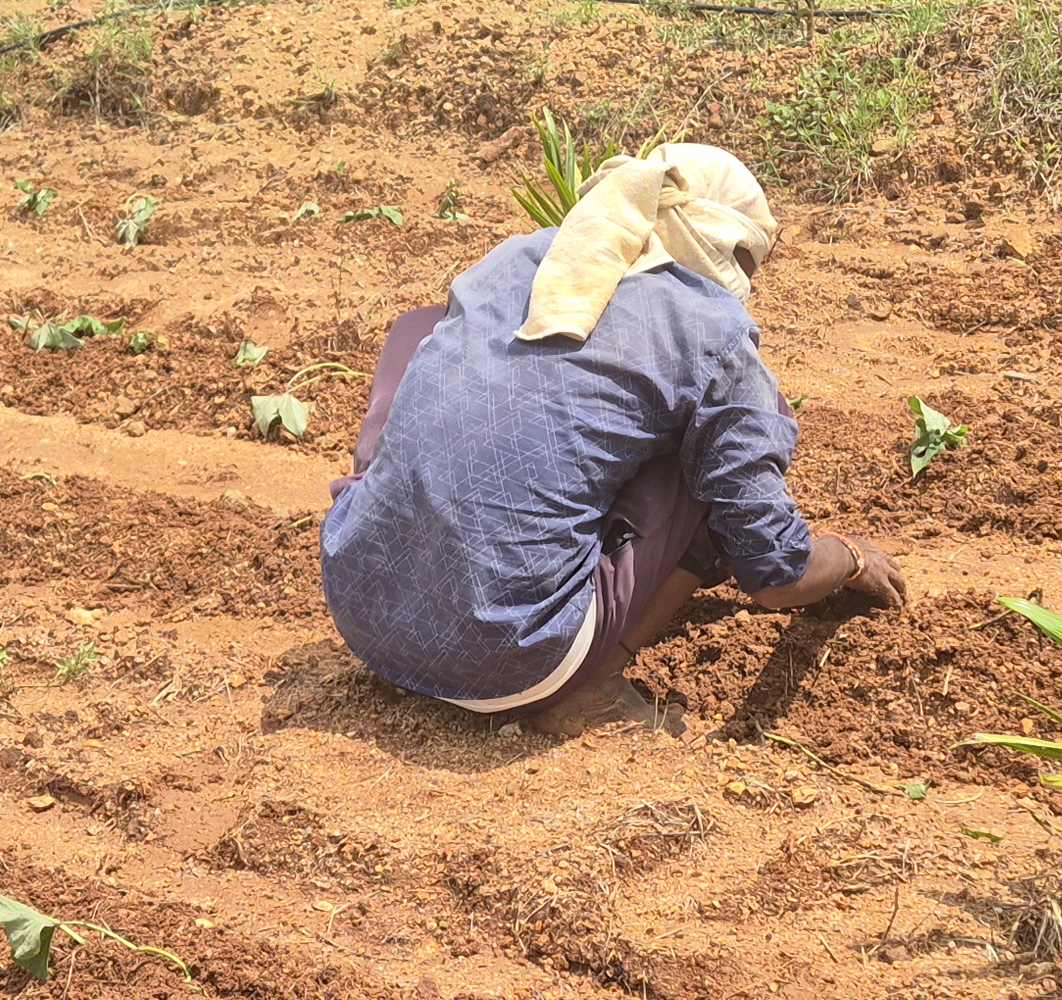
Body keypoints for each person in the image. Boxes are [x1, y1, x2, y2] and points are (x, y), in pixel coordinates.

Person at [320, 143, 904, 737]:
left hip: (362, 608)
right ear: (729, 248)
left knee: (424, 332)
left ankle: (383, 521)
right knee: (719, 443)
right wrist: (852, 560)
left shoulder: (514, 259)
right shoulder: (711, 328)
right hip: (509, 658)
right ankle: (591, 690)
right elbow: (778, 577)